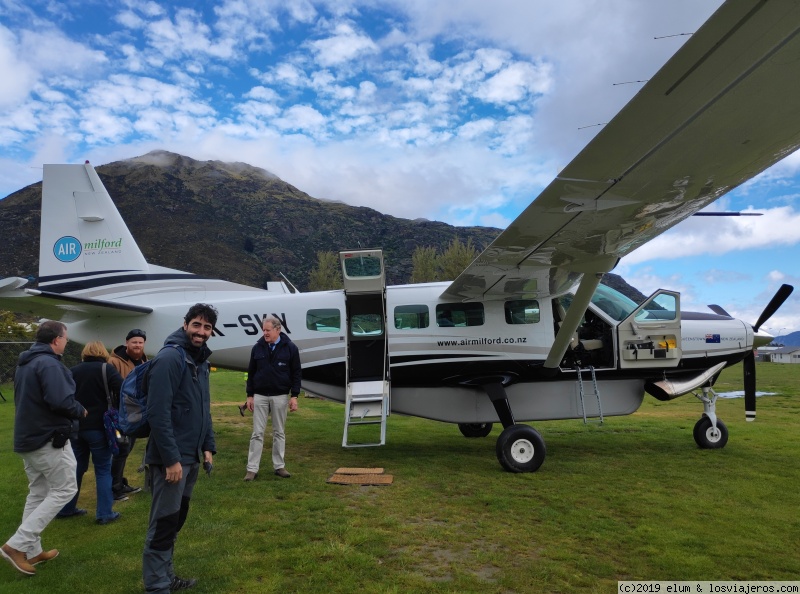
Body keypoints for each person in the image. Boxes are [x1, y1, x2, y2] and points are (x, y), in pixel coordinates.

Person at [1, 321, 87, 576]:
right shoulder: (49, 363)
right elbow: (60, 400)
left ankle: (32, 550)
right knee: (65, 489)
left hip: (29, 438)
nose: (66, 342)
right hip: (48, 439)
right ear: (56, 339)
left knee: (39, 492)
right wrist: (79, 410)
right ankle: (16, 545)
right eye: (65, 338)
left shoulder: (26, 362)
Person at [142, 304, 217, 593]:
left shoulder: (199, 361)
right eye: (197, 325)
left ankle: (166, 576)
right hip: (171, 459)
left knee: (176, 520)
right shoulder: (170, 358)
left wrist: (208, 446)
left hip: (191, 456)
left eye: (207, 327)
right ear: (185, 324)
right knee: (163, 523)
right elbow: (158, 413)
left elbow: (203, 407)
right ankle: (157, 586)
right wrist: (171, 459)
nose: (201, 332)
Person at [57, 341, 123, 525]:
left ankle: (67, 508)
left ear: (85, 353)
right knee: (102, 470)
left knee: (77, 468)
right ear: (103, 352)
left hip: (77, 427)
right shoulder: (106, 369)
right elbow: (123, 388)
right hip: (100, 427)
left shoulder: (73, 370)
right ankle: (104, 513)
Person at [243, 315, 301, 481]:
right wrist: (249, 395)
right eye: (263, 330)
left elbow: (296, 373)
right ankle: (252, 469)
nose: (265, 333)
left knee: (279, 432)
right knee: (257, 433)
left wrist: (294, 396)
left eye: (268, 330)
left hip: (280, 396)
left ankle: (279, 466)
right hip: (260, 396)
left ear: (278, 329)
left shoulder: (290, 348)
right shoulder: (257, 348)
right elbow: (251, 372)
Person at [109, 328, 148, 501]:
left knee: (126, 449)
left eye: (140, 342)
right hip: (119, 414)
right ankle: (114, 487)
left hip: (136, 414)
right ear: (127, 343)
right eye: (134, 342)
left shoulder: (144, 360)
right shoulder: (114, 362)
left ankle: (120, 482)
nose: (137, 345)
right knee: (121, 450)